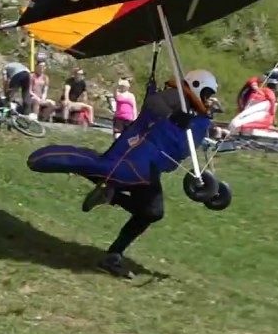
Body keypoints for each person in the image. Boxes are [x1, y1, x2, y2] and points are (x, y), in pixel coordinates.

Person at [79, 69, 222, 279]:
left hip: (150, 162)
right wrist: (173, 115)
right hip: (142, 156)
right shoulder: (176, 97)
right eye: (207, 94)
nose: (208, 99)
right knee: (152, 210)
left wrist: (206, 114)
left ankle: (113, 245)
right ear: (198, 86)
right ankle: (113, 242)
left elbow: (190, 135)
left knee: (150, 211)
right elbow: (153, 103)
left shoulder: (191, 107)